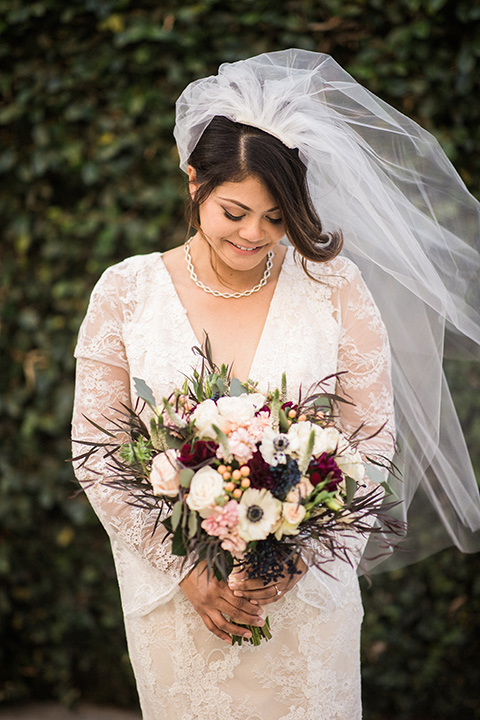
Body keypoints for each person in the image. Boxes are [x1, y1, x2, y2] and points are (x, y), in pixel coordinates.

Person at [72, 49, 480, 720]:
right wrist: (188, 573)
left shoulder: (333, 286)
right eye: (235, 212)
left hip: (306, 600)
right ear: (193, 182)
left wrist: (296, 562)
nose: (254, 236)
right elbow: (96, 449)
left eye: (275, 217)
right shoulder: (126, 291)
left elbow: (371, 439)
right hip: (180, 605)